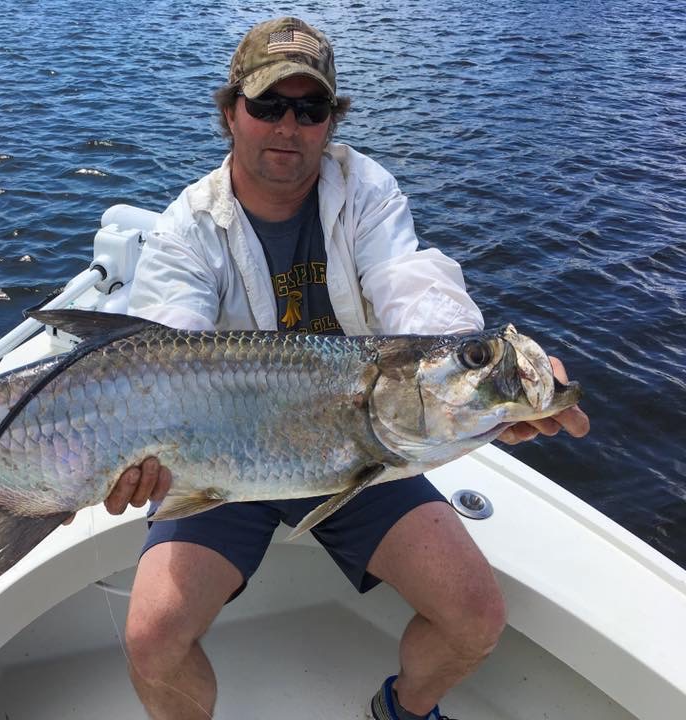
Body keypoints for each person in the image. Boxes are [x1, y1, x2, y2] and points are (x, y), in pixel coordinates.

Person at [95, 16, 589, 720]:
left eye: (310, 108)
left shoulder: (365, 189)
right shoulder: (187, 229)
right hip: (223, 464)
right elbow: (167, 349)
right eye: (268, 105)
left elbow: (413, 289)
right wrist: (139, 449)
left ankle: (402, 709)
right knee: (152, 638)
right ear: (231, 111)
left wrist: (482, 379)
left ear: (331, 121)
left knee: (475, 618)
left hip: (362, 449)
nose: (287, 126)